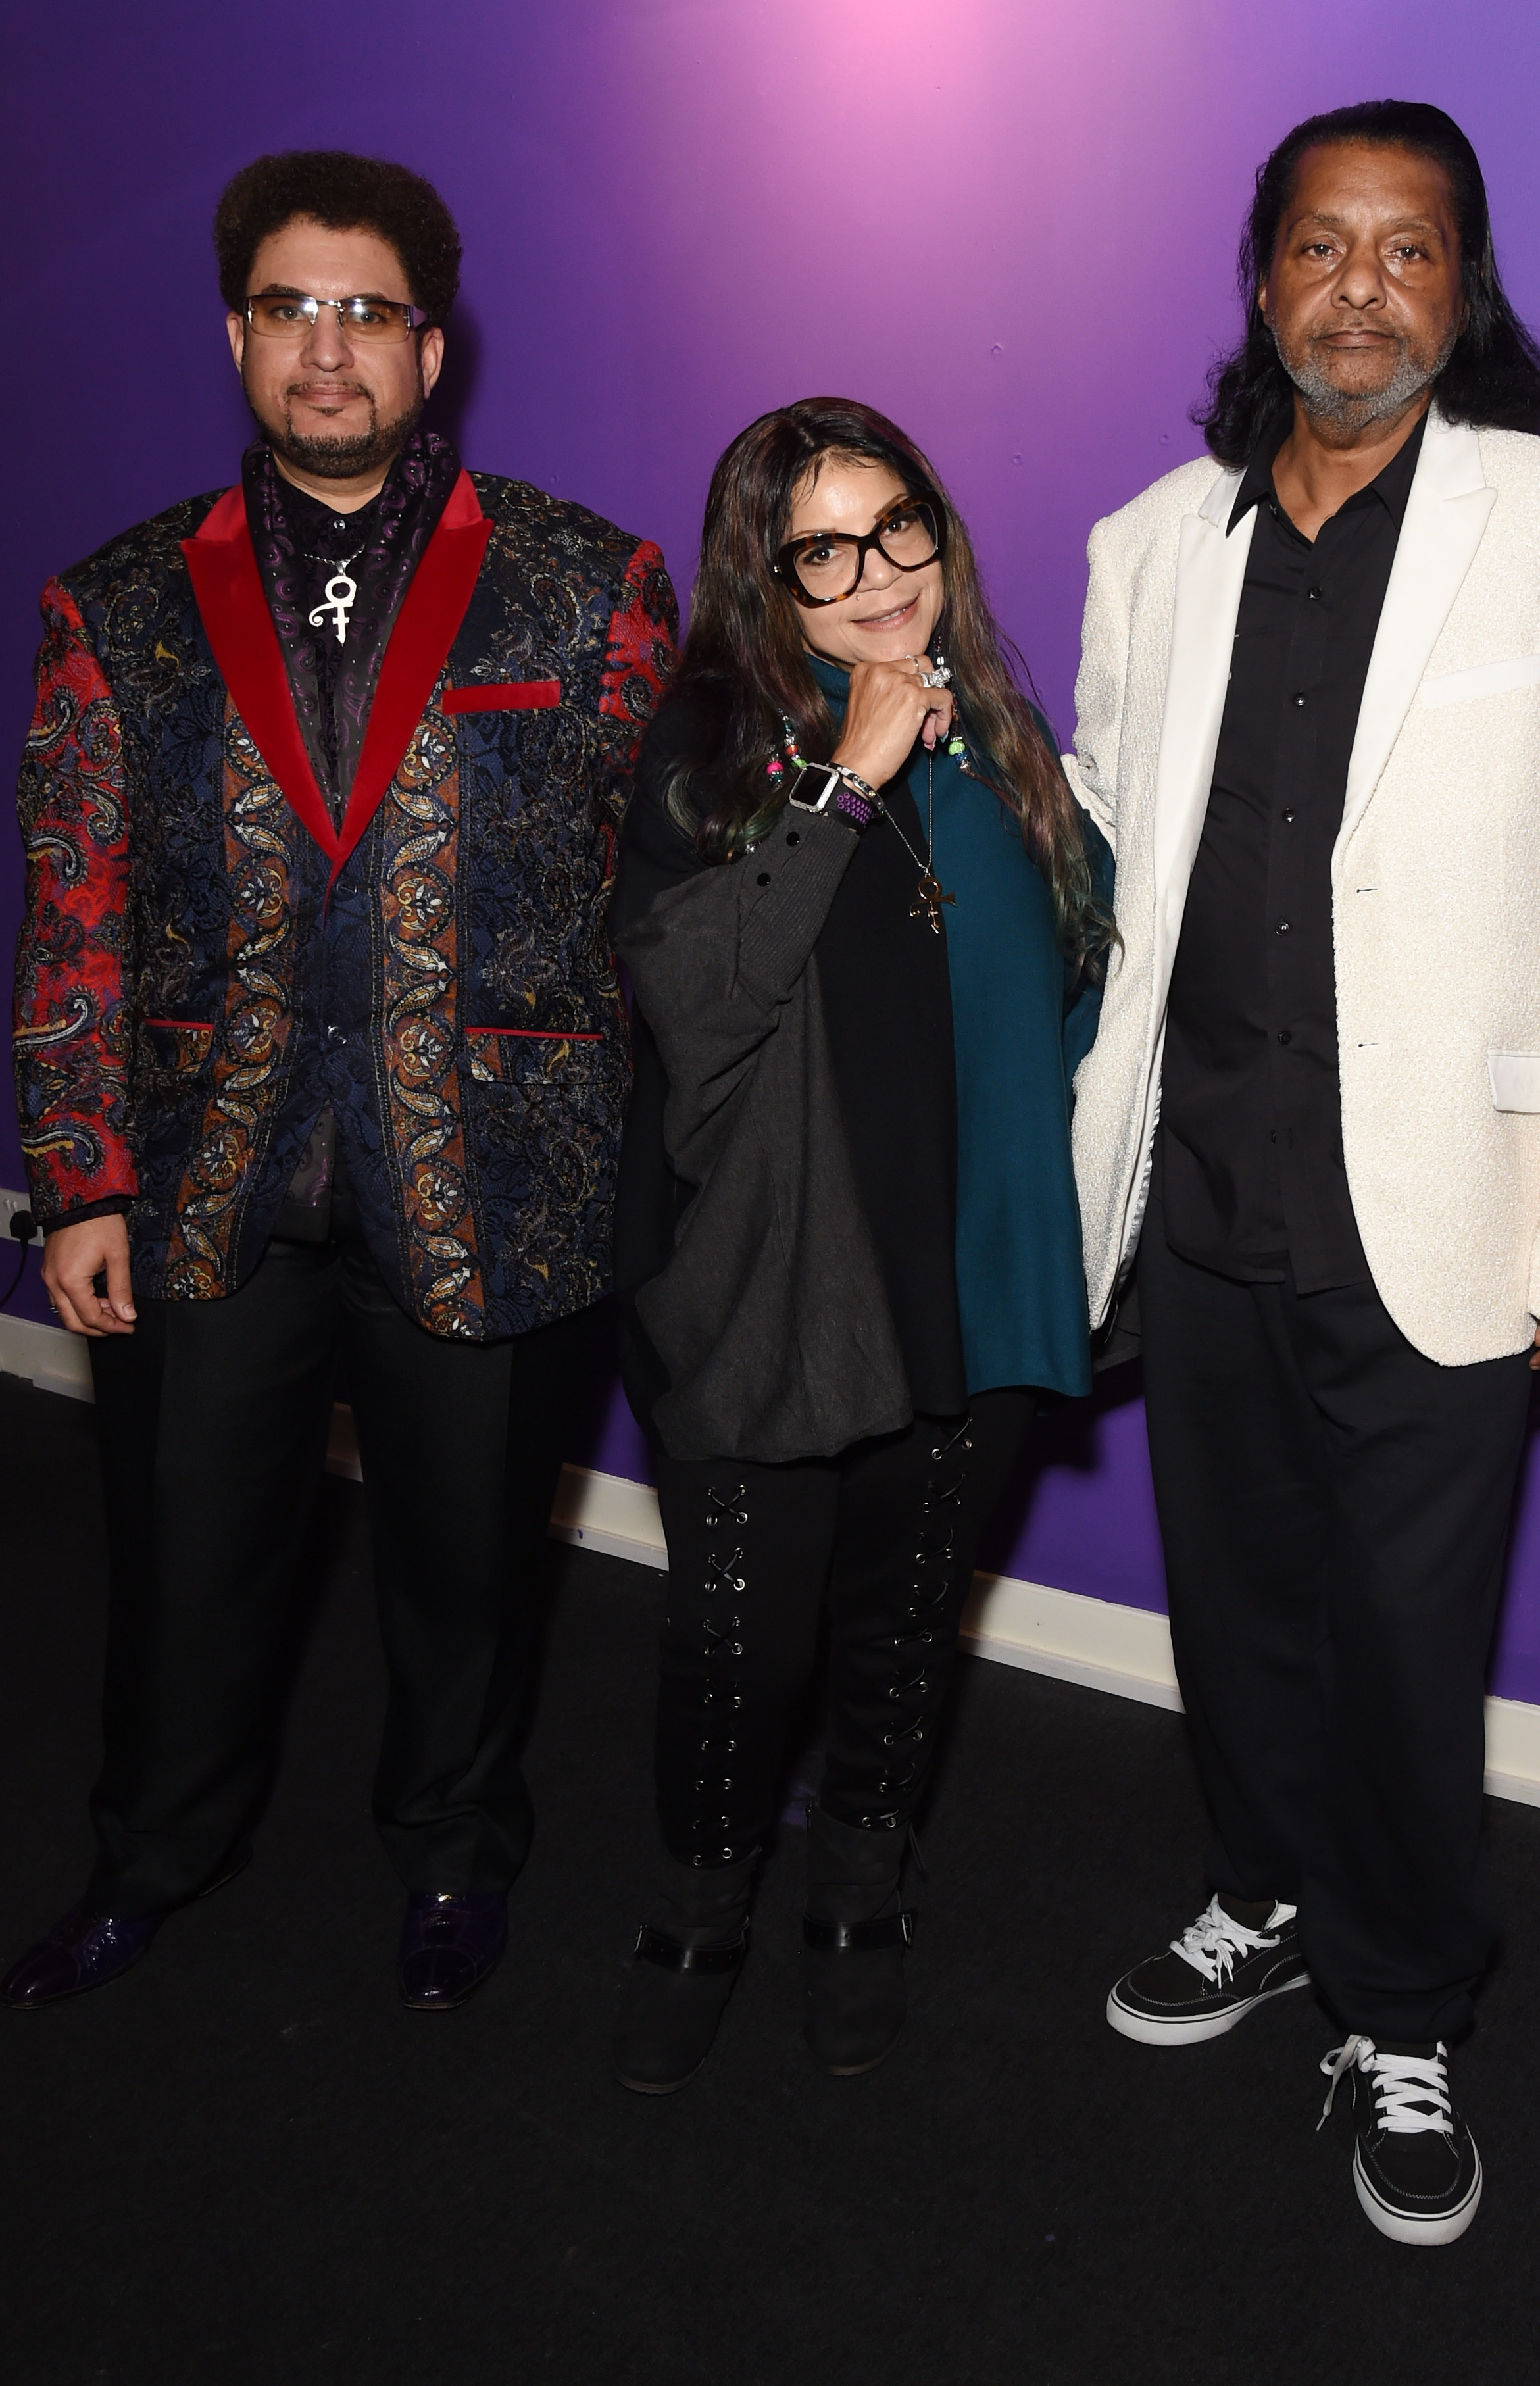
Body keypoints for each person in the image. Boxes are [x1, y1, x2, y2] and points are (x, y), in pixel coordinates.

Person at [1066, 103, 1540, 2242]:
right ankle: (1257, 1892)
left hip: (1441, 1211)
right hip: (1201, 1197)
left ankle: (1402, 1999)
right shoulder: (1149, 543)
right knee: (1230, 1611)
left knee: (1407, 1646)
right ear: (1262, 283)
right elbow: (1107, 863)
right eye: (1319, 246)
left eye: (1404, 250)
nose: (1357, 286)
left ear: (1460, 286)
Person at [0, 149, 675, 2013]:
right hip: (212, 1187)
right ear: (236, 336)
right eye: (288, 307)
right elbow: (75, 912)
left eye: (364, 310)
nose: (326, 347)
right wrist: (78, 1176)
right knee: (189, 1560)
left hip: (487, 1176)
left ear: (428, 349)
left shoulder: (583, 582)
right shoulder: (118, 605)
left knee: (467, 1571)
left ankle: (453, 1858)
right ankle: (151, 1852)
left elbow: (660, 892)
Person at [607, 397, 1112, 2093]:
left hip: (971, 1263)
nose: (880, 573)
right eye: (826, 549)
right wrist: (847, 781)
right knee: (748, 1647)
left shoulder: (1005, 742)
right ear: (770, 582)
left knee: (906, 1627)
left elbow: (1077, 966)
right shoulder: (707, 752)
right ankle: (697, 1917)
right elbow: (699, 1002)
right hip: (786, 1288)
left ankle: (859, 1902)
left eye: (902, 526)